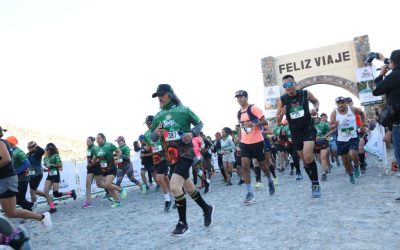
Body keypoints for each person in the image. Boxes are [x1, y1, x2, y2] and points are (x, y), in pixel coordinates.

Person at [150, 83, 213, 235]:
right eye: (158, 96)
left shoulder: (184, 110)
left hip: (186, 153)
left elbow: (199, 123)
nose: (160, 98)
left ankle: (182, 223)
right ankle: (206, 208)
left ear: (170, 94)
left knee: (174, 186)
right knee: (189, 188)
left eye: (162, 95)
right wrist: (156, 133)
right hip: (170, 156)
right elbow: (152, 137)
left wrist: (192, 133)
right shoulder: (157, 116)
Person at [276, 75, 321, 198]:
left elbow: (316, 101)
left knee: (307, 156)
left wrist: (315, 108)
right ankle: (313, 182)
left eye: (290, 84)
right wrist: (282, 113)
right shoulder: (282, 99)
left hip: (308, 129)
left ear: (294, 83)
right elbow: (278, 121)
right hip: (295, 133)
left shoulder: (305, 93)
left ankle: (316, 184)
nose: (288, 87)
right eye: (285, 85)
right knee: (305, 162)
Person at [0, 132, 52, 232]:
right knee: (11, 211)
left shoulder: (13, 149)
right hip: (8, 179)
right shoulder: (18, 151)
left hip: (15, 179)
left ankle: (39, 213)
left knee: (13, 208)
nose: (29, 148)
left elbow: (12, 161)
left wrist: (16, 171)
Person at [235, 89, 275, 204]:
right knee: (245, 166)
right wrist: (239, 137)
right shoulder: (239, 112)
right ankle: (249, 193)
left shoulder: (253, 108)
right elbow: (241, 126)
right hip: (245, 143)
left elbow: (265, 122)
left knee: (262, 165)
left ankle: (269, 179)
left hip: (257, 142)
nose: (239, 99)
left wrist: (253, 124)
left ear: (246, 97)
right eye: (237, 97)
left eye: (241, 97)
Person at [330, 97, 365, 184]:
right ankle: (350, 175)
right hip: (341, 139)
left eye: (342, 103)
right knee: (345, 160)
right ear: (336, 104)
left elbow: (361, 113)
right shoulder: (334, 112)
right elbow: (330, 126)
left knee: (353, 153)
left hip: (353, 136)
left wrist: (363, 124)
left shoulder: (352, 109)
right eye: (339, 103)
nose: (341, 105)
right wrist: (335, 125)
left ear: (345, 103)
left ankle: (357, 166)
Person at [91, 133, 127, 208]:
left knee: (107, 184)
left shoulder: (109, 145)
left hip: (111, 167)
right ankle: (118, 202)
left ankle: (121, 190)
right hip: (104, 169)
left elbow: (119, 151)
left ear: (103, 138)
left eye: (99, 138)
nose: (97, 140)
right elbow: (94, 159)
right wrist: (93, 161)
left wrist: (116, 158)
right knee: (107, 187)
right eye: (96, 139)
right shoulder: (96, 149)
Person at [42, 143, 77, 213]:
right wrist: (46, 169)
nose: (46, 151)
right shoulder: (45, 158)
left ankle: (71, 193)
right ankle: (52, 207)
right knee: (46, 192)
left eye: (48, 150)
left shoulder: (56, 156)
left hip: (55, 175)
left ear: (51, 150)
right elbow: (47, 166)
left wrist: (52, 165)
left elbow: (60, 165)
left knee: (56, 194)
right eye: (46, 149)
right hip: (49, 175)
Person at [5, 137, 34, 211]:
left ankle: (31, 211)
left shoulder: (18, 151)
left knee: (19, 199)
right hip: (16, 179)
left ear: (10, 143)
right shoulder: (11, 151)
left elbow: (26, 163)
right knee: (18, 199)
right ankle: (31, 206)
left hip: (22, 179)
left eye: (6, 142)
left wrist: (15, 172)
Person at [82, 136, 105, 209]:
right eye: (86, 141)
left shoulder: (95, 148)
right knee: (87, 184)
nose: (87, 142)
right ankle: (88, 202)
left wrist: (92, 163)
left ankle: (113, 188)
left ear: (92, 141)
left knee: (100, 184)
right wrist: (88, 164)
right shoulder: (88, 149)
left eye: (88, 141)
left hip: (96, 167)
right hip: (90, 168)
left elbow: (100, 158)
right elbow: (88, 158)